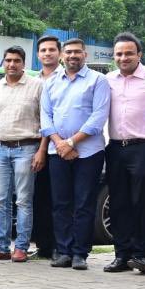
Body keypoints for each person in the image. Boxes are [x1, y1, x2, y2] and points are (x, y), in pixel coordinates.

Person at [41, 39, 109, 271]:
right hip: (56, 151)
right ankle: (63, 251)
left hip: (88, 152)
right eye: (68, 52)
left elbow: (98, 117)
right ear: (61, 55)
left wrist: (71, 142)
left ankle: (80, 253)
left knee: (84, 204)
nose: (73, 56)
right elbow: (45, 117)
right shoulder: (51, 83)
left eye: (77, 52)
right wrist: (60, 143)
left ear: (85, 55)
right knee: (60, 204)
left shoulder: (98, 81)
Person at [104, 32, 145, 275]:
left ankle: (143, 256)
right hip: (116, 148)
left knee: (143, 203)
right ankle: (121, 255)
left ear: (139, 54)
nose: (123, 57)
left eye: (129, 53)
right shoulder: (107, 80)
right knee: (118, 204)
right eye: (118, 54)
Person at [0, 46, 46, 263]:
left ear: (23, 63)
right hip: (1, 150)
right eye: (8, 60)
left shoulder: (37, 86)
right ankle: (1, 247)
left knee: (24, 201)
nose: (12, 64)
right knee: (0, 200)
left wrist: (41, 151)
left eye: (16, 60)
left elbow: (47, 122)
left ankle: (21, 247)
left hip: (27, 149)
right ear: (3, 63)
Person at [32, 35, 62, 260]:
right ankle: (43, 245)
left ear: (59, 53)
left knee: (58, 199)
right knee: (40, 198)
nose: (47, 53)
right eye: (43, 50)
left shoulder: (65, 77)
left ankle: (59, 246)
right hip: (34, 146)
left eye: (52, 49)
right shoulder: (33, 80)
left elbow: (49, 119)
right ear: (38, 54)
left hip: (58, 146)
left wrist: (44, 147)